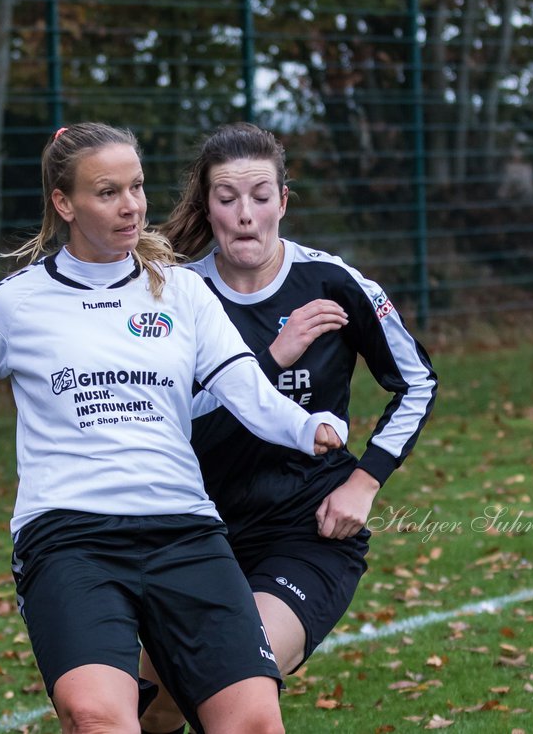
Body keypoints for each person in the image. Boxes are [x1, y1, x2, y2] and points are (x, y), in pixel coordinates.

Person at [0, 122, 351, 734]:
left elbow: (244, 389)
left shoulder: (184, 292)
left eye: (137, 187)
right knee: (97, 718)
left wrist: (308, 428)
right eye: (108, 192)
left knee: (252, 721)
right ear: (65, 203)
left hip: (185, 531)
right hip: (68, 538)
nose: (132, 207)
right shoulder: (15, 305)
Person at [141, 123, 438, 733]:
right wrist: (270, 360)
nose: (244, 215)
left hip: (303, 532)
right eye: (227, 198)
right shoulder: (175, 296)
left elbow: (419, 382)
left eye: (259, 196)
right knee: (150, 698)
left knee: (233, 674)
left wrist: (365, 482)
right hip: (194, 531)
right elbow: (158, 419)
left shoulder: (333, 284)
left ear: (283, 200)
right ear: (206, 207)